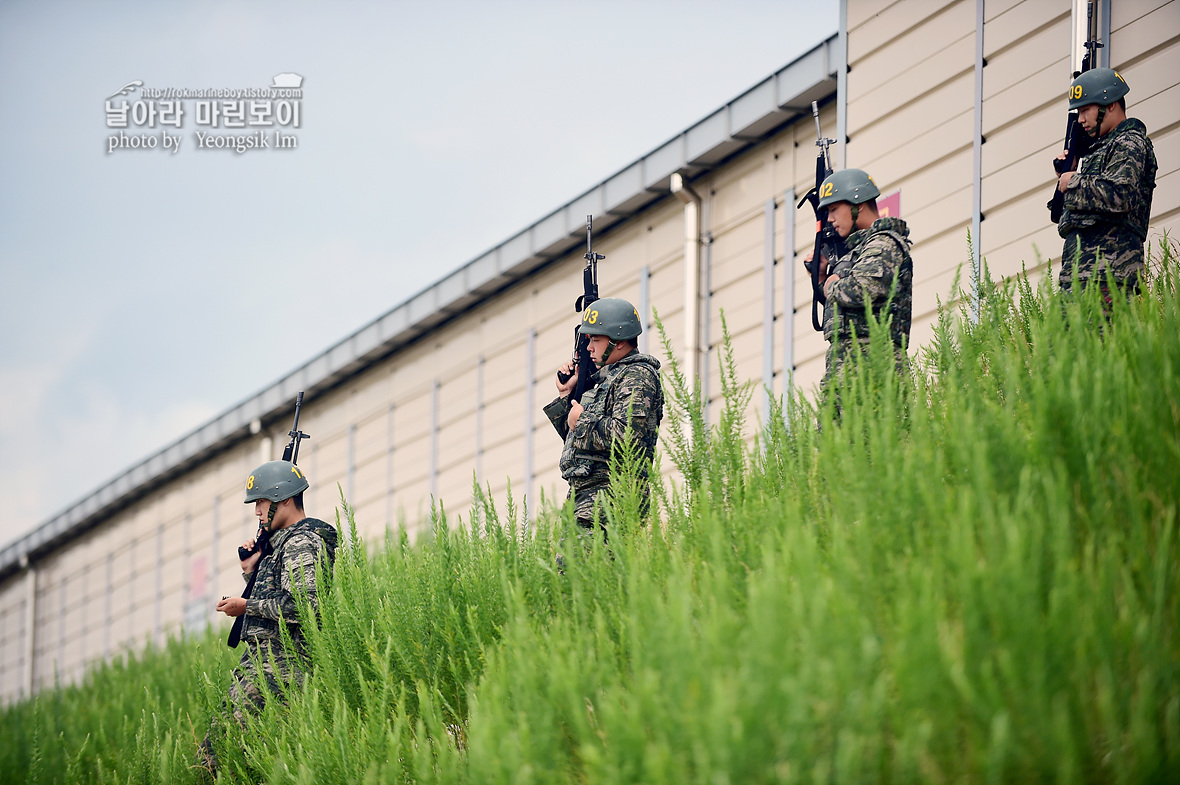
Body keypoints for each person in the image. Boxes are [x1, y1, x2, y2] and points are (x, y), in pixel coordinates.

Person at [198, 460, 338, 776]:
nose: (257, 511)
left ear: (284, 499)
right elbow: (275, 599)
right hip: (264, 666)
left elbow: (302, 606)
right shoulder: (282, 544)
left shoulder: (301, 541)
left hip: (280, 670)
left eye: (262, 501)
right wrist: (251, 569)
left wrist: (245, 606)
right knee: (224, 759)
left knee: (224, 759)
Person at [543, 297, 664, 541]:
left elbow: (626, 436)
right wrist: (567, 396)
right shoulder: (606, 378)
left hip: (610, 499)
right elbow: (581, 442)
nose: (589, 348)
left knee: (581, 575)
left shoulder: (636, 376)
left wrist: (583, 419)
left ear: (618, 342)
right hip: (586, 500)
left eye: (596, 340)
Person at [805, 168, 913, 399]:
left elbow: (862, 289)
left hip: (874, 372)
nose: (830, 219)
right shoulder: (858, 250)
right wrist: (822, 277)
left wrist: (832, 284)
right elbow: (846, 308)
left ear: (858, 204)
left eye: (834, 209)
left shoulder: (884, 242)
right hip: (846, 373)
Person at [1056, 67, 1157, 297]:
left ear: (1110, 104)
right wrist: (1067, 174)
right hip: (1077, 277)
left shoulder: (1129, 142)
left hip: (1110, 276)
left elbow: (1120, 195)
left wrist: (1073, 182)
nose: (1080, 119)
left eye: (1085, 110)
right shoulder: (1095, 151)